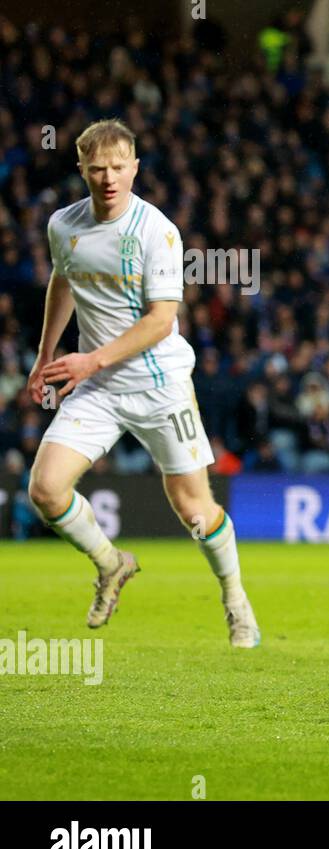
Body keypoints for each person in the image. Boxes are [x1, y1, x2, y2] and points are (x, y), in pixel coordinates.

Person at [27, 119, 259, 647]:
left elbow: (160, 320)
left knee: (195, 511)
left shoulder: (158, 231)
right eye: (97, 169)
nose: (108, 178)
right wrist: (46, 355)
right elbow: (64, 278)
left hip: (159, 384)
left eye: (117, 168)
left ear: (134, 168)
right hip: (99, 388)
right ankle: (111, 564)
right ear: (81, 169)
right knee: (45, 489)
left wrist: (89, 360)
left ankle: (235, 599)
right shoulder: (64, 225)